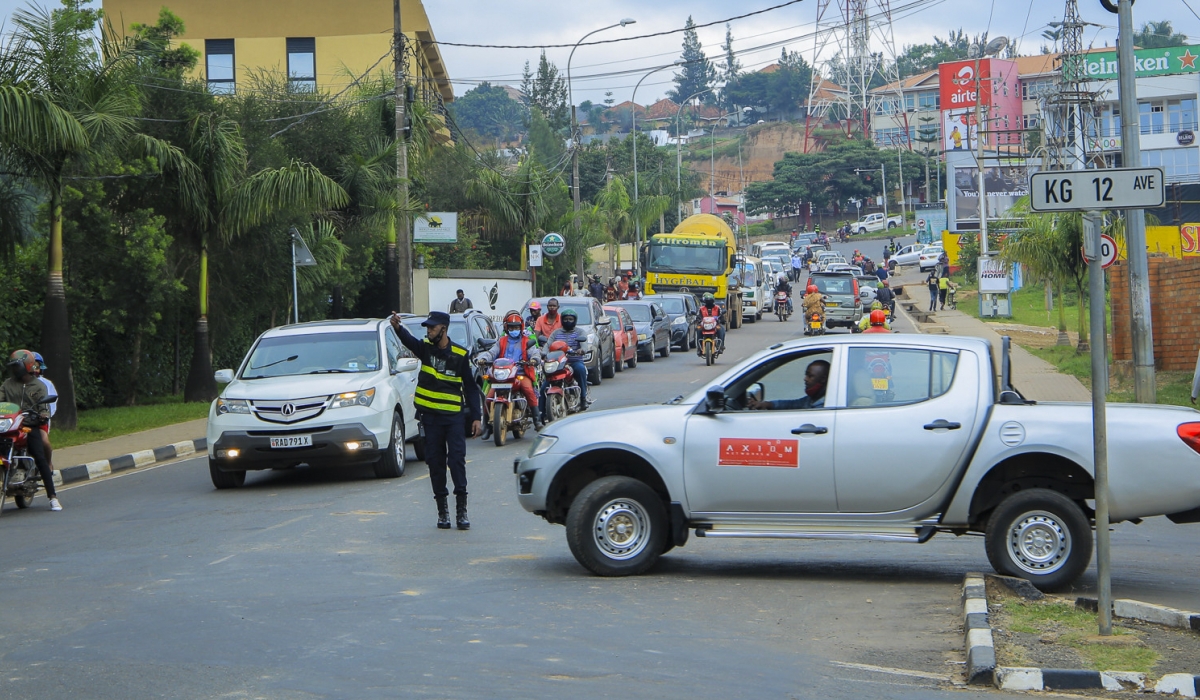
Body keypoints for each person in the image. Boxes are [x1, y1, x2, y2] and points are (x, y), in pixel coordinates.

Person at [390, 311, 481, 530]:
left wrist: (476, 417)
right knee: (435, 463)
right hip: (430, 419)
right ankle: (443, 512)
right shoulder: (425, 349)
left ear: (443, 329)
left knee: (457, 461)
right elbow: (408, 340)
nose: (428, 331)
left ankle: (461, 511)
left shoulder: (460, 354)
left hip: (454, 419)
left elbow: (469, 386)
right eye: (427, 328)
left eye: (432, 328)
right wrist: (397, 327)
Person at [2, 350, 60, 511]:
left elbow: (44, 407)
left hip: (29, 425)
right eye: (12, 366)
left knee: (40, 456)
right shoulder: (7, 384)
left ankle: (53, 497)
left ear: (26, 366)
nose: (14, 369)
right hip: (9, 425)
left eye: (17, 366)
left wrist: (42, 415)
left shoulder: (39, 385)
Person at [477, 312, 543, 436]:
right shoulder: (501, 341)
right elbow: (491, 353)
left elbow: (535, 353)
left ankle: (537, 420)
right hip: (501, 375)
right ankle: (487, 427)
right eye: (511, 327)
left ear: (521, 327)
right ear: (507, 328)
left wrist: (534, 360)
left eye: (516, 327)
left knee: (528, 390)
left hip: (520, 374)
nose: (514, 330)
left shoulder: (526, 341)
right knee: (488, 398)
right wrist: (483, 359)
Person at [547, 309, 590, 409]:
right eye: (565, 319)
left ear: (575, 320)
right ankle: (541, 410)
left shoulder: (580, 332)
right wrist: (543, 353)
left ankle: (583, 398)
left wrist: (582, 350)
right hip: (558, 363)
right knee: (546, 381)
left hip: (574, 361)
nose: (568, 321)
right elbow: (548, 345)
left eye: (570, 319)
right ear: (561, 320)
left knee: (580, 370)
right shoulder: (555, 333)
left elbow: (584, 345)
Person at [747, 359, 829, 410]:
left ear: (823, 379)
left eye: (810, 376)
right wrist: (766, 404)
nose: (805, 379)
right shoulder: (814, 399)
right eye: (806, 375)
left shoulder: (822, 406)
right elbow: (793, 404)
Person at [32, 352, 56, 470]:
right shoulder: (15, 384)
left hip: (39, 420)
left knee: (44, 442)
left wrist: (44, 415)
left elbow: (51, 405)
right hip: (20, 419)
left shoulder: (46, 384)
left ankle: (48, 464)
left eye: (36, 367)